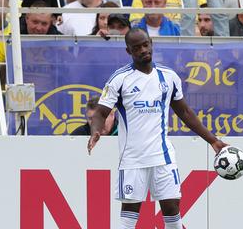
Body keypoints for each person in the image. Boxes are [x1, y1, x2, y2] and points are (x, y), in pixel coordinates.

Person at [87, 28, 228, 229]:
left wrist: (213, 140)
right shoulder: (120, 79)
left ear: (151, 43)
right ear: (129, 51)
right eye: (137, 48)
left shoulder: (168, 77)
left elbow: (185, 112)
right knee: (129, 216)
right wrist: (95, 131)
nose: (143, 50)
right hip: (133, 159)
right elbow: (100, 113)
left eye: (145, 45)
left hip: (162, 156)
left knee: (172, 209)